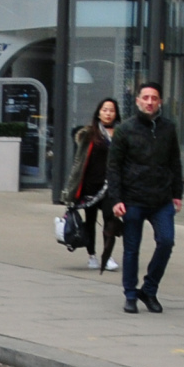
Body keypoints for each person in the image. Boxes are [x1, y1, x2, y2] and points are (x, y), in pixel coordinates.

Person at [108, 81, 183, 314]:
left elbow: (175, 163)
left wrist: (177, 194)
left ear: (160, 102)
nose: (150, 102)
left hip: (161, 199)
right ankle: (130, 294)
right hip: (133, 199)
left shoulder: (168, 128)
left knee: (167, 242)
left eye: (154, 98)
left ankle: (149, 289)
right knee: (132, 249)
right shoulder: (125, 129)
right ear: (138, 100)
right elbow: (114, 166)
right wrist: (116, 199)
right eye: (146, 98)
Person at [62, 97, 122, 273]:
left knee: (110, 220)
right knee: (90, 222)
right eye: (105, 110)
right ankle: (92, 256)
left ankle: (107, 255)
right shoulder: (89, 133)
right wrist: (71, 190)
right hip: (90, 186)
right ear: (99, 112)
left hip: (110, 186)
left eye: (111, 110)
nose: (108, 113)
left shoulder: (121, 133)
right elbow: (78, 162)